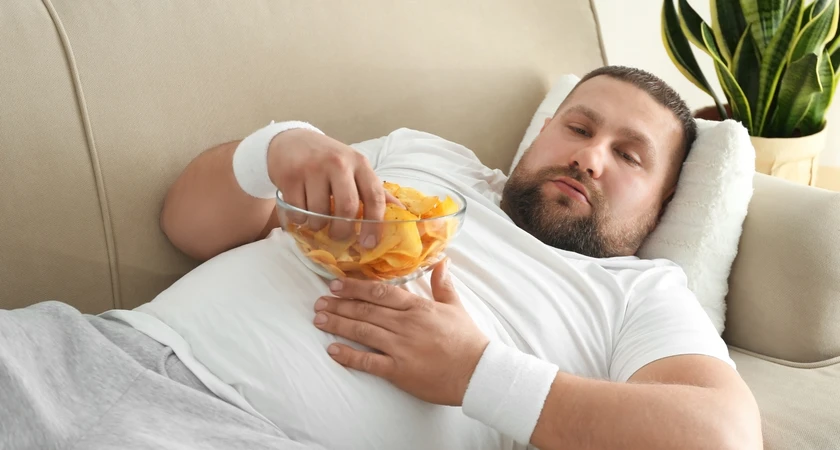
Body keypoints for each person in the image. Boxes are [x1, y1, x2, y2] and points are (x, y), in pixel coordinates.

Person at [0, 66, 762, 450]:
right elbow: (188, 223)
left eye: (629, 155)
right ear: (538, 136)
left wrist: (477, 373)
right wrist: (276, 149)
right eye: (578, 127)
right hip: (86, 351)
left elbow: (721, 436)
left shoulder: (637, 293)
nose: (590, 158)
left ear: (661, 204)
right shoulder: (423, 158)